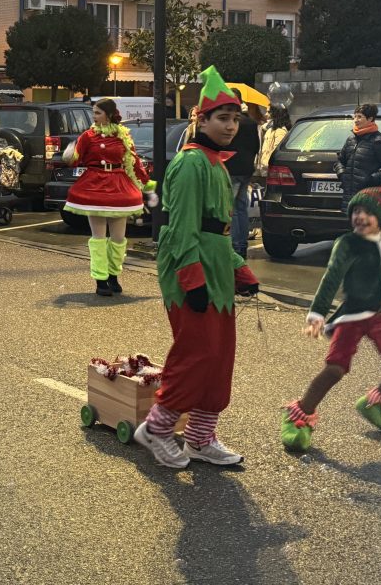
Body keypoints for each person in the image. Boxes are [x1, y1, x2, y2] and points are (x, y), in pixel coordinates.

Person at [135, 67, 259, 469]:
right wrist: (192, 279)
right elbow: (181, 230)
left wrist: (238, 269)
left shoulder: (217, 164)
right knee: (196, 355)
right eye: (222, 118)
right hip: (192, 274)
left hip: (216, 272)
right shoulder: (191, 164)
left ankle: (200, 439)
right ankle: (156, 428)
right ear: (201, 120)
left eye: (235, 118)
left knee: (219, 358)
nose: (231, 126)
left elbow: (218, 230)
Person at [281, 187, 381, 451]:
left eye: (368, 212)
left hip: (380, 315)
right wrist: (318, 313)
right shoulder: (348, 243)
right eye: (356, 211)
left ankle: (375, 404)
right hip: (352, 316)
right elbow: (331, 277)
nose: (360, 217)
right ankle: (299, 414)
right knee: (335, 369)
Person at [63, 98, 156, 296]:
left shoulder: (123, 135)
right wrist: (69, 155)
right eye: (93, 113)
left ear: (109, 114)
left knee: (118, 238)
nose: (94, 117)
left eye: (98, 113)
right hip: (94, 186)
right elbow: (75, 160)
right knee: (98, 238)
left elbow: (133, 161)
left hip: (118, 186)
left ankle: (113, 275)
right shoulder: (87, 136)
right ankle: (100, 279)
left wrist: (145, 182)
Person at [333, 104, 381, 215]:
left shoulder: (379, 141)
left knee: (366, 222)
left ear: (370, 119)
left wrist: (371, 180)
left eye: (360, 117)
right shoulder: (351, 139)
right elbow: (340, 161)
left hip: (369, 194)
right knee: (351, 222)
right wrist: (342, 174)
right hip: (349, 194)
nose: (356, 120)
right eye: (355, 116)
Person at [224, 105, 260, 259]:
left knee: (231, 209)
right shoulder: (251, 123)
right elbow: (256, 146)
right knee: (241, 207)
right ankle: (242, 245)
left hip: (232, 168)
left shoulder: (231, 123)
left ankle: (235, 246)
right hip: (246, 169)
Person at [256, 105, 291, 178]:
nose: (266, 114)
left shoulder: (280, 131)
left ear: (276, 113)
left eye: (269, 112)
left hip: (271, 169)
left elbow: (277, 153)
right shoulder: (269, 129)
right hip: (264, 167)